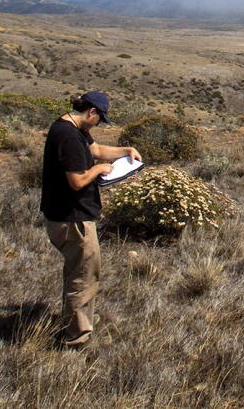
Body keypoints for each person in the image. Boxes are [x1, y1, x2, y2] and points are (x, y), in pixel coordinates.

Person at [39, 89, 141, 347]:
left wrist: (125, 150)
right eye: (99, 118)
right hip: (72, 218)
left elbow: (96, 149)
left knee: (77, 271)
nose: (99, 123)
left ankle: (73, 324)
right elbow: (76, 181)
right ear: (91, 112)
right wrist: (98, 170)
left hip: (68, 214)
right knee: (83, 276)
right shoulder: (68, 137)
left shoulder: (72, 128)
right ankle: (76, 338)